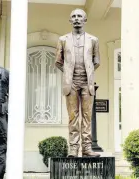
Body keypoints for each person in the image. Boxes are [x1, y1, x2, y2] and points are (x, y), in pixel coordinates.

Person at [55, 9, 100, 158]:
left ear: (85, 20)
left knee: (87, 116)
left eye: (79, 16)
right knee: (73, 117)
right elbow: (58, 62)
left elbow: (96, 61)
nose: (76, 19)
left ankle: (87, 148)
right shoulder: (63, 39)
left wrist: (88, 73)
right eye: (73, 16)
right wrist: (69, 72)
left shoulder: (93, 40)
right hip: (71, 83)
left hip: (87, 83)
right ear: (70, 20)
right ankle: (73, 149)